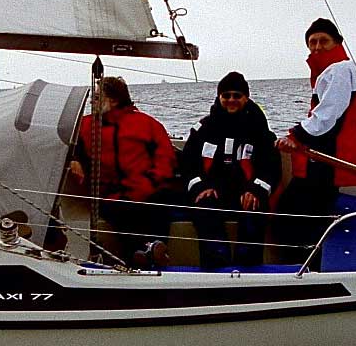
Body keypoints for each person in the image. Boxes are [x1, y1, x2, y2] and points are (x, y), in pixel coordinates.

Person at [275, 18, 356, 263]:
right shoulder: (340, 69)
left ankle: (300, 266)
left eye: (323, 41)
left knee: (290, 212)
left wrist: (295, 136)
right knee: (312, 210)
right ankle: (309, 262)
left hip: (326, 155)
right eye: (312, 42)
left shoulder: (338, 70)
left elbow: (327, 113)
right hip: (326, 153)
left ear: (337, 42)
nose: (317, 47)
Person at [70, 76, 176, 267]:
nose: (92, 102)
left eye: (96, 98)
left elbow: (165, 158)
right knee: (121, 209)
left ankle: (144, 255)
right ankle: (148, 253)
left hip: (146, 187)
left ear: (114, 100)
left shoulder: (146, 124)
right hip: (108, 194)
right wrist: (74, 159)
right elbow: (69, 144)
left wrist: (148, 183)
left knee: (159, 203)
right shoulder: (85, 126)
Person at [183, 72, 281, 267]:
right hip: (212, 191)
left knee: (254, 210)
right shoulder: (203, 129)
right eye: (226, 95)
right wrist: (200, 187)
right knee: (204, 207)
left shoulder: (260, 130)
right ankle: (216, 265)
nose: (231, 100)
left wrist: (256, 190)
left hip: (247, 192)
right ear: (219, 97)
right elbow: (188, 163)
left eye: (237, 95)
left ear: (246, 97)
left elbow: (271, 167)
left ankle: (248, 267)